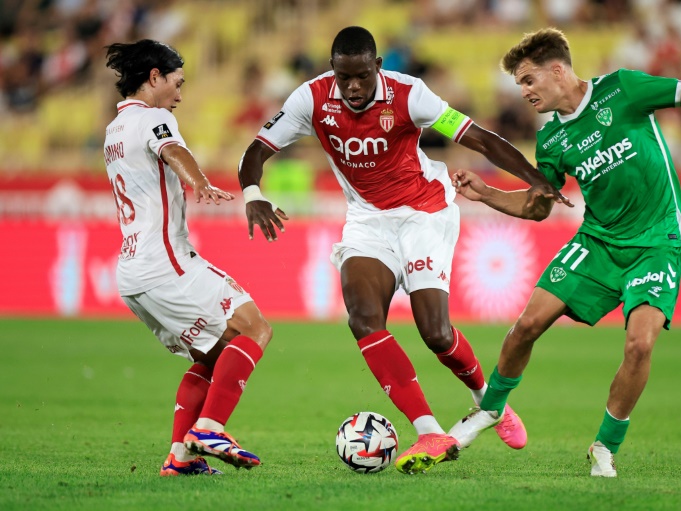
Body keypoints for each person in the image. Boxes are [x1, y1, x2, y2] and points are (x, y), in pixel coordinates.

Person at [237, 26, 571, 475]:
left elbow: (478, 138)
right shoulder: (311, 99)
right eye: (343, 78)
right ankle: (429, 430)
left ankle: (488, 402)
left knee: (434, 332)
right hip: (367, 220)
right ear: (333, 71)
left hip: (424, 213)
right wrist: (253, 194)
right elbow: (255, 152)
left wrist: (534, 177)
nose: (353, 88)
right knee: (362, 317)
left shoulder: (409, 94)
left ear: (378, 67)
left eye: (361, 77)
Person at [448, 27, 681, 477]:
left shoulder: (624, 88)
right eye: (520, 84)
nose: (525, 91)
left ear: (558, 70)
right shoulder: (552, 139)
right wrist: (487, 194)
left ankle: (604, 448)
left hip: (656, 241)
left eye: (529, 80)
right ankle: (489, 410)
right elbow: (538, 206)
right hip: (596, 243)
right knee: (526, 324)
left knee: (639, 344)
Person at [104, 39, 272, 476]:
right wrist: (198, 181)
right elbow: (172, 150)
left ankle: (180, 458)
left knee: (212, 357)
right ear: (154, 78)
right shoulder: (153, 118)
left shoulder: (113, 131)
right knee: (255, 327)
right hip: (167, 261)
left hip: (132, 274)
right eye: (176, 84)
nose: (179, 95)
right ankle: (211, 428)